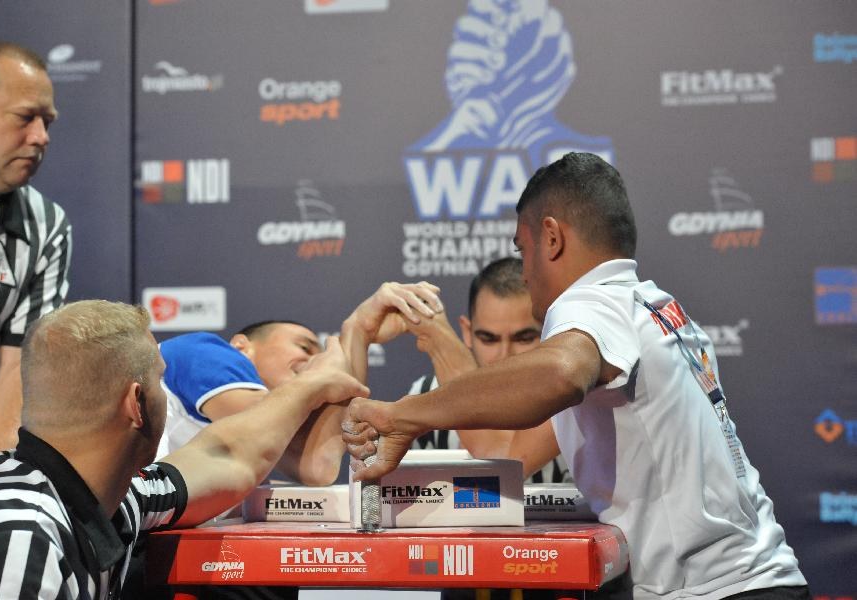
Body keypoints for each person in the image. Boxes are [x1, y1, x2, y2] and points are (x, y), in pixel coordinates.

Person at [345, 153, 810, 599]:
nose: (524, 273)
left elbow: (561, 372)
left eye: (522, 250)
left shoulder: (590, 301)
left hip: (717, 590)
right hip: (753, 579)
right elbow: (506, 449)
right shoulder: (653, 307)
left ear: (552, 238)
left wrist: (404, 415)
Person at [0, 300, 366, 599]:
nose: (166, 396)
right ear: (137, 404)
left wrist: (313, 382)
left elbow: (228, 455)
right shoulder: (16, 540)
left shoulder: (120, 499)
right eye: (159, 381)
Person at [156, 282, 444, 485]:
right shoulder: (204, 350)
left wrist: (359, 331)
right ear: (243, 346)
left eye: (319, 355)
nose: (314, 360)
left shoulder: (268, 431)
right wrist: (321, 375)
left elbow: (319, 466)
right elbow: (270, 428)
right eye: (304, 347)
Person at [0, 42, 71, 488]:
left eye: (47, 122)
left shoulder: (47, 226)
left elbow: (18, 367)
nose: (41, 136)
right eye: (25, 117)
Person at [406, 257, 569, 483]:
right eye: (489, 339)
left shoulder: (570, 403)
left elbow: (504, 462)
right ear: (467, 332)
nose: (505, 356)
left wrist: (440, 342)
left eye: (524, 338)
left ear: (550, 332)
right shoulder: (428, 394)